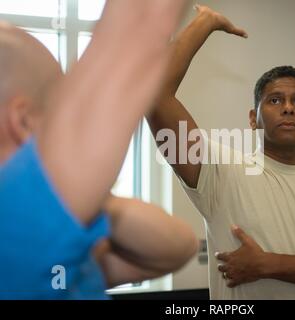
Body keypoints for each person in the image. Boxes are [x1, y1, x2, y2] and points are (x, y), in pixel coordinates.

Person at [147, 5, 295, 299]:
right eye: (275, 100)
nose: (288, 107)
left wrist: (267, 264)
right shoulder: (219, 170)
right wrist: (205, 23)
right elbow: (154, 96)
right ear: (253, 118)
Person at [0, 0, 197, 299]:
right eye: (55, 116)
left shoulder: (47, 244)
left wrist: (96, 202)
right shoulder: (11, 222)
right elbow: (145, 14)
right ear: (25, 122)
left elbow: (179, 247)